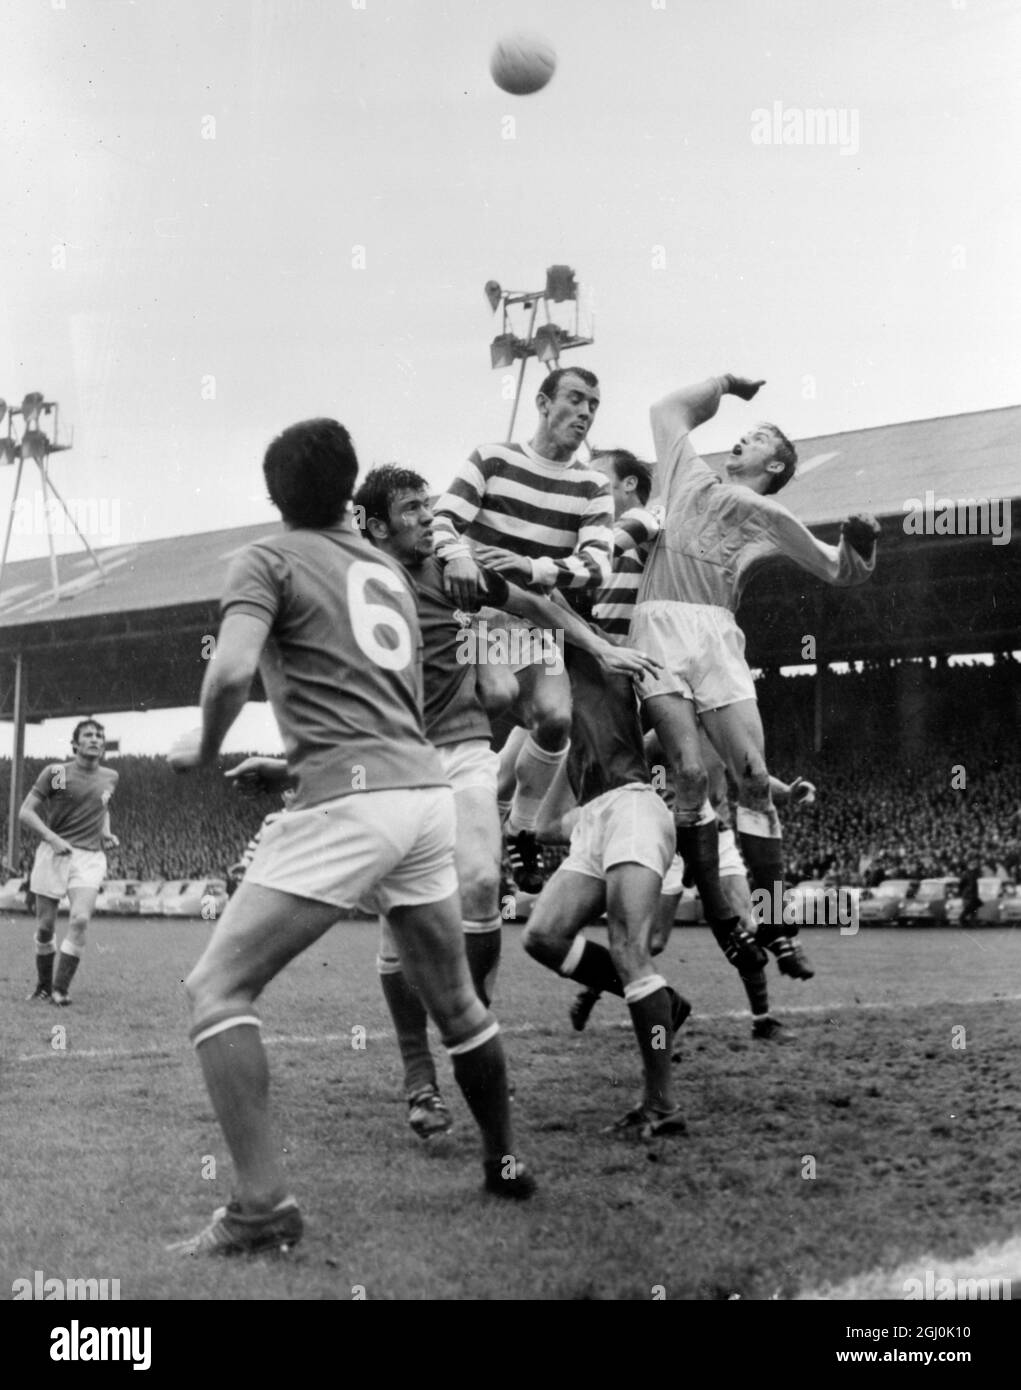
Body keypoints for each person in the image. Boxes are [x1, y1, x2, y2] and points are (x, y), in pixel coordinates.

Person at [166, 418, 535, 1259]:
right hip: (421, 791)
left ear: (275, 496)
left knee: (215, 992)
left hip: (353, 805)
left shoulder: (264, 559)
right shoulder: (388, 574)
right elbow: (372, 702)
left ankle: (261, 1207)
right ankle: (502, 1158)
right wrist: (297, 763)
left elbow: (228, 672)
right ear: (350, 486)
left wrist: (207, 744)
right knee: (456, 1003)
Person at [354, 462, 660, 1139]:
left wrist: (598, 649)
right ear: (375, 525)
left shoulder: (450, 567)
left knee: (484, 882)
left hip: (461, 751)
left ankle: (474, 1017)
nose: (427, 520)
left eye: (430, 506)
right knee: (398, 928)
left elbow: (535, 606)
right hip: (388, 763)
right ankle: (419, 1080)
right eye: (410, 510)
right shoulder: (350, 578)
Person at [631, 373, 879, 980]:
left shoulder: (767, 514)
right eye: (743, 434)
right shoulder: (685, 471)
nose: (741, 441)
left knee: (754, 780)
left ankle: (774, 924)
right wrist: (727, 385)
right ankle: (726, 925)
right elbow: (666, 406)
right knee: (688, 775)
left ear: (776, 465)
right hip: (659, 626)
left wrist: (861, 541)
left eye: (758, 438)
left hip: (716, 635)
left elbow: (839, 571)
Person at [432, 367, 613, 893]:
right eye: (575, 400)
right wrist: (460, 556)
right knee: (487, 704)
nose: (584, 413)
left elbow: (596, 566)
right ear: (541, 401)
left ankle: (523, 829)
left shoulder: (592, 486)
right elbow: (444, 521)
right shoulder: (493, 458)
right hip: (477, 616)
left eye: (593, 406)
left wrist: (527, 568)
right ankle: (443, 815)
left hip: (534, 616)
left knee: (556, 718)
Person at [521, 634, 691, 1140]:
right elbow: (547, 824)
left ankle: (661, 1105)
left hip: (633, 804)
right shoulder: (545, 684)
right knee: (542, 936)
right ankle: (668, 1004)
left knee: (630, 950)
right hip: (595, 816)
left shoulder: (602, 650)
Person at [21, 718, 119, 1006]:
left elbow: (103, 806)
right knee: (45, 928)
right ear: (75, 743)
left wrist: (106, 833)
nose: (95, 740)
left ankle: (60, 990)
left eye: (99, 735)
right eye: (88, 735)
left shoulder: (110, 776)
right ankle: (42, 986)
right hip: (53, 854)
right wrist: (52, 838)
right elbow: (26, 812)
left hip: (89, 858)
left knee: (79, 919)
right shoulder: (57, 773)